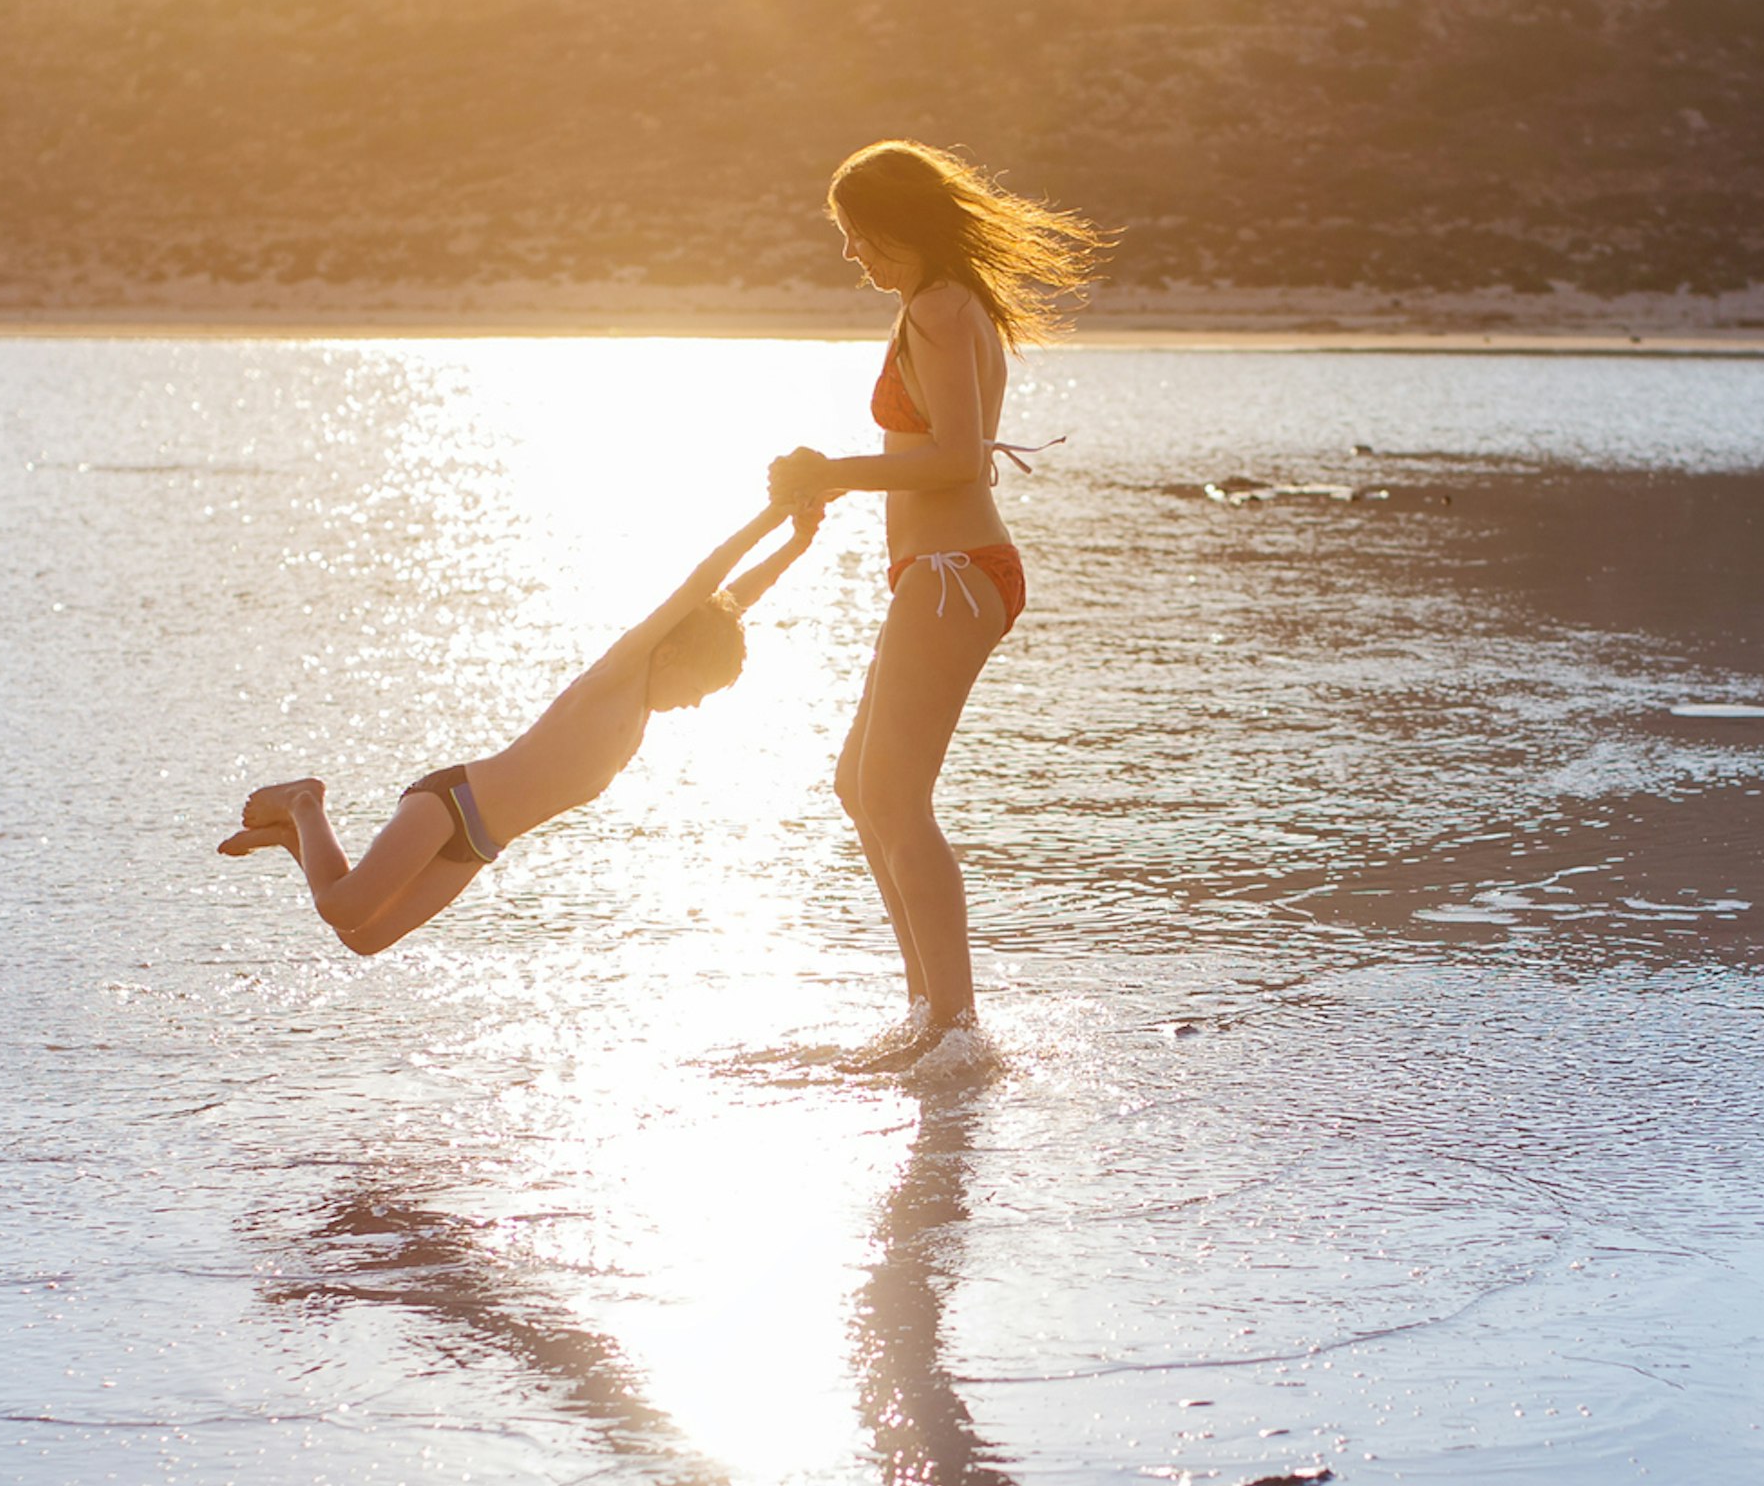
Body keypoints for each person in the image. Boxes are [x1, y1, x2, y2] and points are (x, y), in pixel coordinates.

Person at [767, 141, 1105, 1062]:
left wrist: (831, 469)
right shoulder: (939, 304)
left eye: (859, 235)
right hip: (941, 572)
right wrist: (832, 483)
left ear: (901, 226)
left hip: (957, 569)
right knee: (861, 788)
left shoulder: (941, 306)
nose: (851, 255)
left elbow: (961, 455)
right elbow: (940, 449)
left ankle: (953, 1030)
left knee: (894, 797)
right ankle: (927, 1018)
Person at [221, 501, 821, 954]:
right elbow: (702, 586)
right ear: (669, 656)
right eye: (696, 690)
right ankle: (305, 803)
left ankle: (290, 841)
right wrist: (772, 515)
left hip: (478, 846)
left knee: (364, 939)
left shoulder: (641, 708)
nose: (693, 706)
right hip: (451, 806)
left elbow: (733, 602)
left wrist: (798, 544)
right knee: (343, 909)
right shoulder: (619, 675)